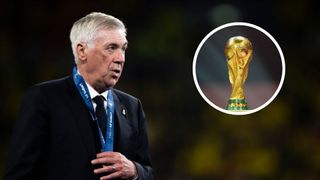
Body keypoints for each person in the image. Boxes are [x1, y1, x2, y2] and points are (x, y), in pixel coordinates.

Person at [4, 12, 154, 180]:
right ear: (82, 51)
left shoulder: (132, 106)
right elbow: (19, 174)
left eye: (123, 49)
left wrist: (134, 170)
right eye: (111, 48)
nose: (121, 58)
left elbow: (148, 172)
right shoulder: (44, 98)